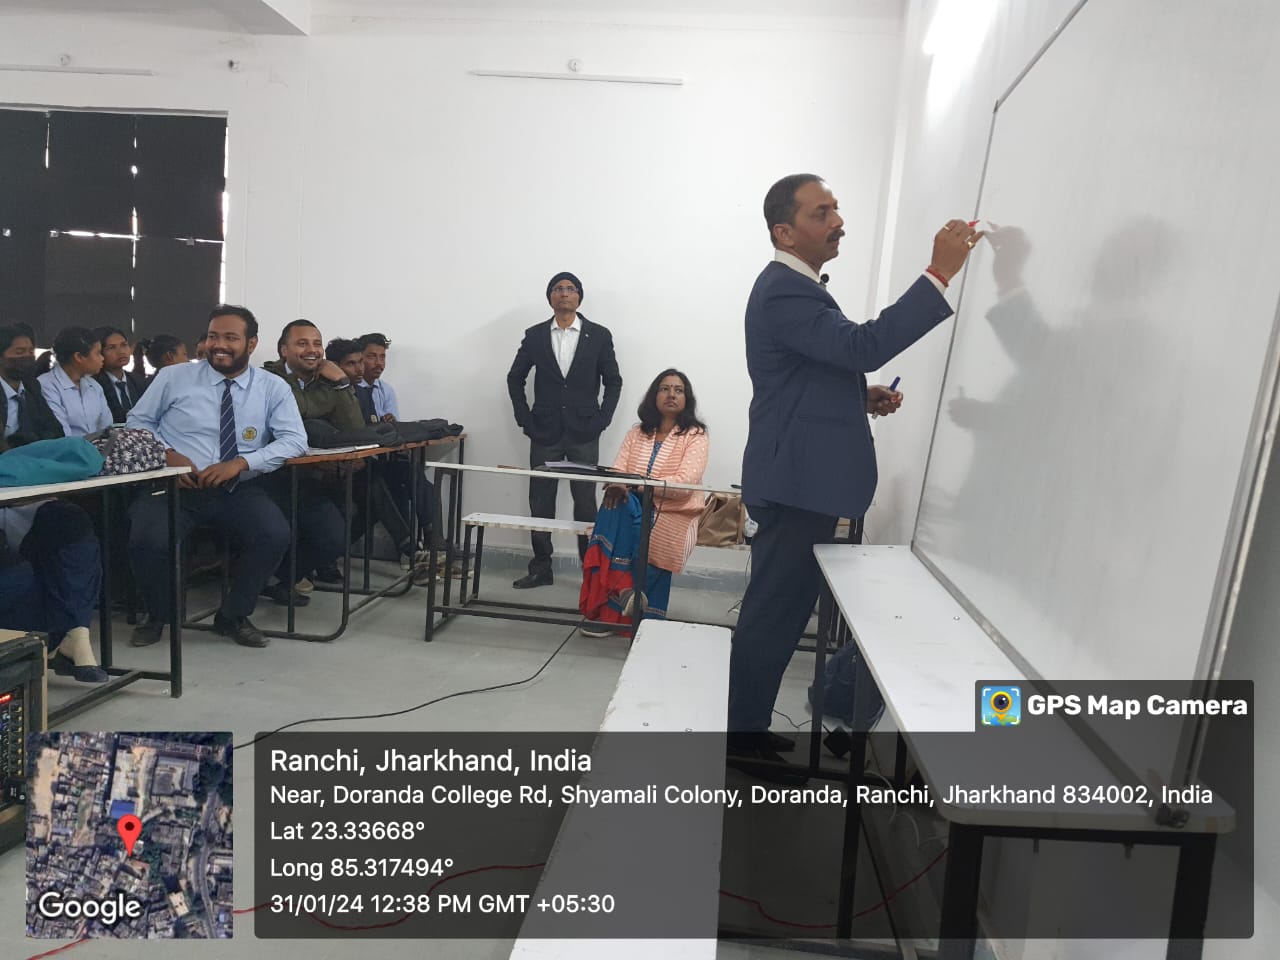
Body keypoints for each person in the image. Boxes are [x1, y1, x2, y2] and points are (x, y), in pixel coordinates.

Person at [727, 173, 979, 769]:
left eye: (836, 209)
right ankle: (740, 740)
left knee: (782, 612)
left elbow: (805, 373)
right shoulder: (785, 291)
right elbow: (861, 346)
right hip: (795, 484)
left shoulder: (798, 289)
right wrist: (938, 273)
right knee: (773, 615)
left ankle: (747, 729)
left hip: (799, 481)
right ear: (784, 232)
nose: (838, 222)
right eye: (821, 213)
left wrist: (855, 396)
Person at [126, 305, 307, 649]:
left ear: (251, 344)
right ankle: (159, 614)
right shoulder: (173, 377)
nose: (219, 345)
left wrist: (242, 463)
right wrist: (167, 454)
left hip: (236, 488)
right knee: (146, 538)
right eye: (213, 336)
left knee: (274, 533)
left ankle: (233, 616)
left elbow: (295, 440)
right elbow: (137, 422)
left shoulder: (272, 387)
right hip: (176, 486)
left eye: (230, 338)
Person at [506, 272, 622, 588]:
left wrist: (602, 419)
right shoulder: (535, 335)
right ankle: (541, 567)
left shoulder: (599, 335)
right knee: (540, 501)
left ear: (579, 297)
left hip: (585, 431)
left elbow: (613, 381)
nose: (564, 293)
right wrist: (525, 419)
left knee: (585, 502)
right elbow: (515, 378)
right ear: (550, 298)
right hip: (545, 431)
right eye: (558, 289)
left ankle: (591, 571)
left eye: (571, 289)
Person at [579, 370, 708, 635]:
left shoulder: (695, 435)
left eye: (678, 390)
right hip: (632, 504)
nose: (671, 394)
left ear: (687, 398)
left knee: (618, 514)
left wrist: (634, 486)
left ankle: (611, 605)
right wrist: (618, 485)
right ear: (654, 395)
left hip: (673, 510)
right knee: (615, 503)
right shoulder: (637, 432)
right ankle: (625, 592)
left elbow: (684, 483)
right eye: (664, 388)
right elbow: (619, 470)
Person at [260, 319, 360, 603]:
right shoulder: (268, 378)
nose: (312, 350)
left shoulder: (326, 381)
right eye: (302, 343)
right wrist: (324, 408)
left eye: (317, 344)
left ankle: (283, 578)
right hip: (266, 475)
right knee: (278, 529)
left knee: (335, 536)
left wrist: (342, 383)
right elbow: (299, 410)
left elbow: (354, 428)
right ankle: (260, 579)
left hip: (306, 477)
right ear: (284, 350)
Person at [38, 326, 112, 437]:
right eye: (98, 353)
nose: (102, 358)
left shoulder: (94, 386)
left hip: (97, 447)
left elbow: (107, 428)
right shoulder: (46, 385)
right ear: (79, 357)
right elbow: (61, 434)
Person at [0, 325, 64, 451]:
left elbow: (54, 429)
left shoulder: (32, 387)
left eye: (31, 352)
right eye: (19, 352)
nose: (27, 357)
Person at [93, 325, 147, 423]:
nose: (121, 352)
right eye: (111, 348)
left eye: (124, 345)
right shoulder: (93, 384)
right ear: (99, 352)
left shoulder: (139, 381)